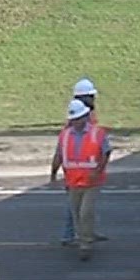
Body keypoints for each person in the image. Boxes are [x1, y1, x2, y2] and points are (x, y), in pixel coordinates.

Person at [49, 98, 112, 260]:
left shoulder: (97, 133)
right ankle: (84, 236)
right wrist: (53, 175)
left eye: (78, 118)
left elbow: (106, 153)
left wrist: (98, 171)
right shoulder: (64, 135)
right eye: (73, 119)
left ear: (85, 117)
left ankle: (85, 244)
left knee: (86, 212)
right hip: (72, 181)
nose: (76, 122)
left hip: (92, 182)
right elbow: (59, 155)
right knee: (76, 213)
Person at [59, 78, 99, 245]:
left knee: (81, 206)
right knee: (76, 206)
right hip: (77, 169)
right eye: (91, 96)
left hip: (80, 167)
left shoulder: (84, 113)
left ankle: (84, 231)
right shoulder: (80, 115)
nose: (94, 99)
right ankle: (72, 234)